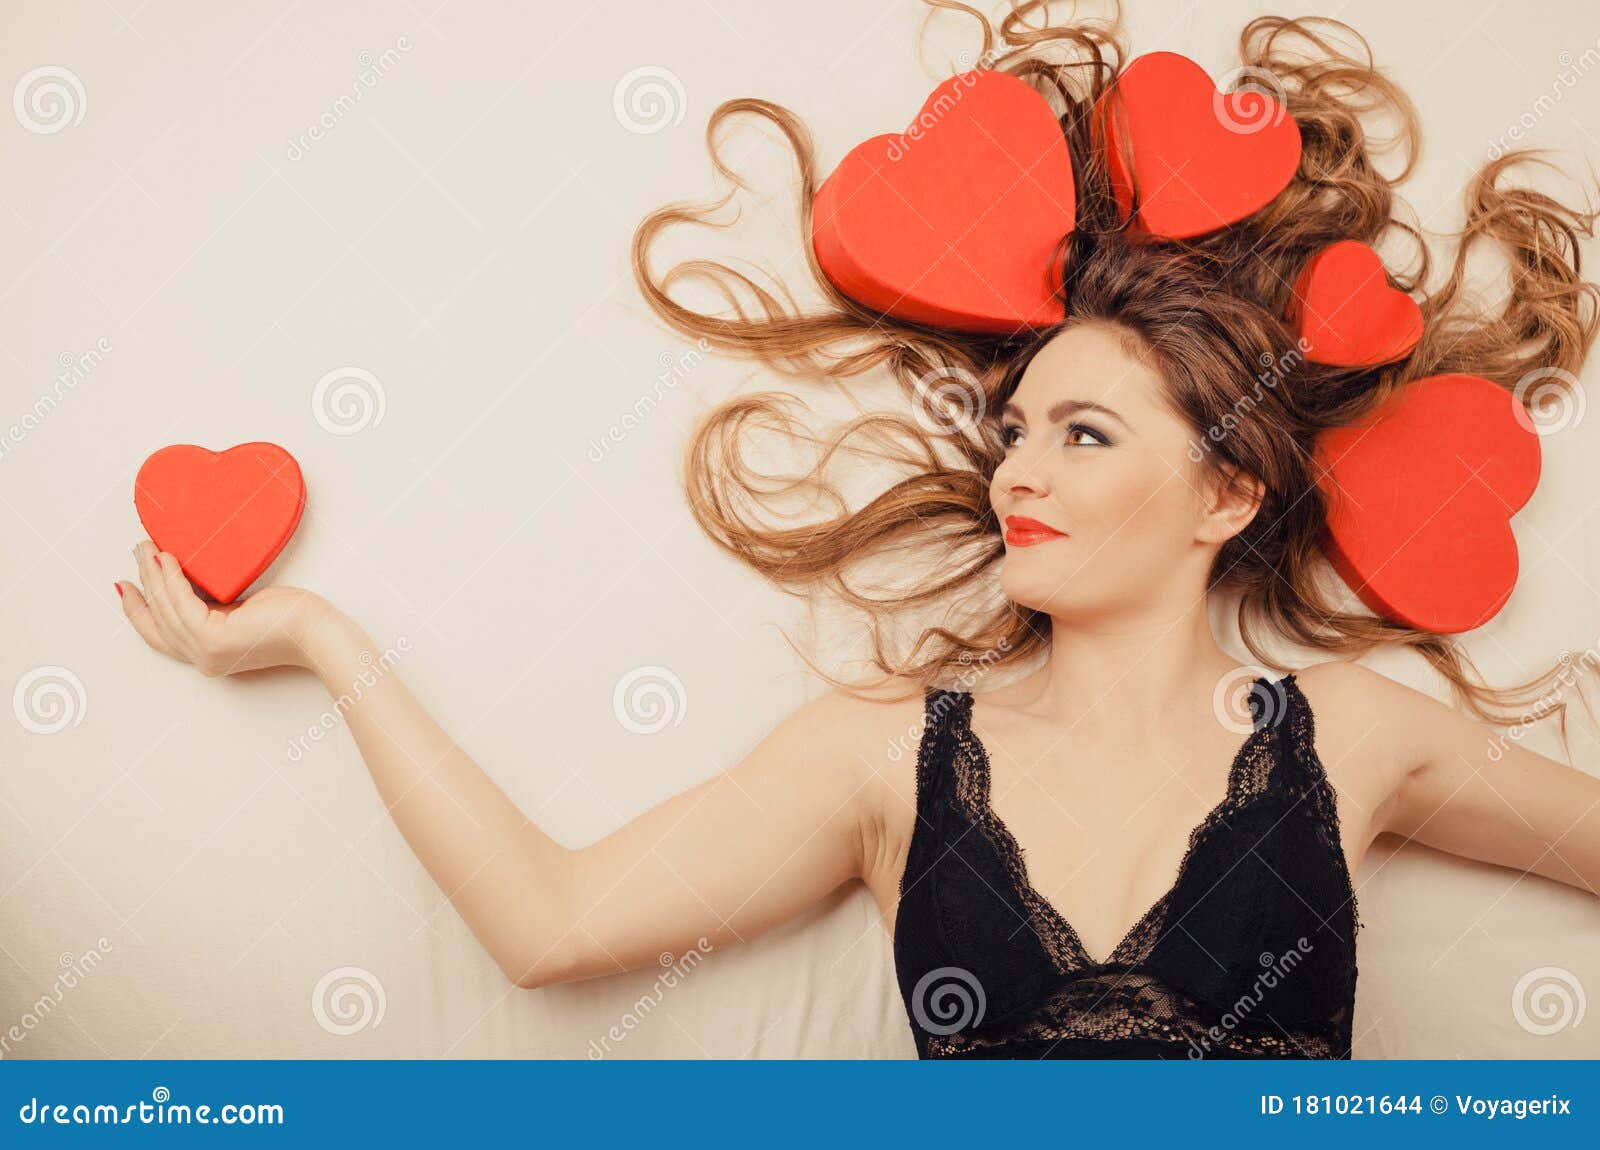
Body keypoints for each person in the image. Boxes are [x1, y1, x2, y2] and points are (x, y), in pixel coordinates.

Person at [115, 6, 1600, 1057]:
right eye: (1017, 430)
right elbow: (548, 922)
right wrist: (319, 640)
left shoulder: (1358, 736)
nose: (1021, 469)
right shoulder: (884, 754)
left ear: (1224, 496)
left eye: (1084, 435)